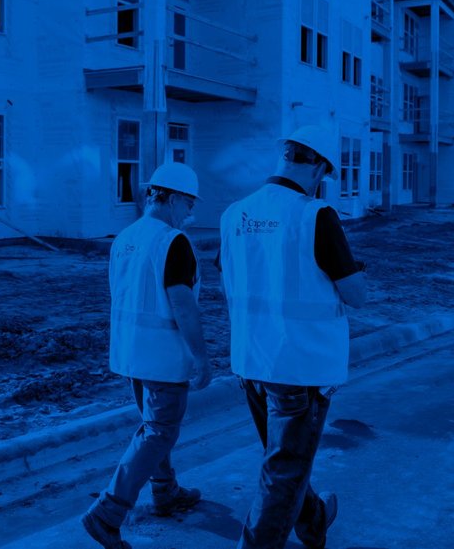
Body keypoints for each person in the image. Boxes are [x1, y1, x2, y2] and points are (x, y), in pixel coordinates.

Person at [218, 125, 368, 549]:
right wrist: (355, 271)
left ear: (284, 158)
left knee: (284, 460)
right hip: (298, 367)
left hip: (250, 361)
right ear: (319, 167)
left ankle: (314, 518)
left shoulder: (235, 214)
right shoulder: (313, 214)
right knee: (283, 470)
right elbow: (356, 296)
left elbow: (232, 272)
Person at [82, 162, 213, 549]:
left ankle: (165, 490)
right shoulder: (172, 242)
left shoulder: (125, 237)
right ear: (170, 198)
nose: (191, 212)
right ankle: (107, 512)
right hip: (161, 356)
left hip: (130, 352)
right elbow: (183, 305)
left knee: (154, 426)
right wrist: (202, 357)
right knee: (159, 430)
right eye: (188, 203)